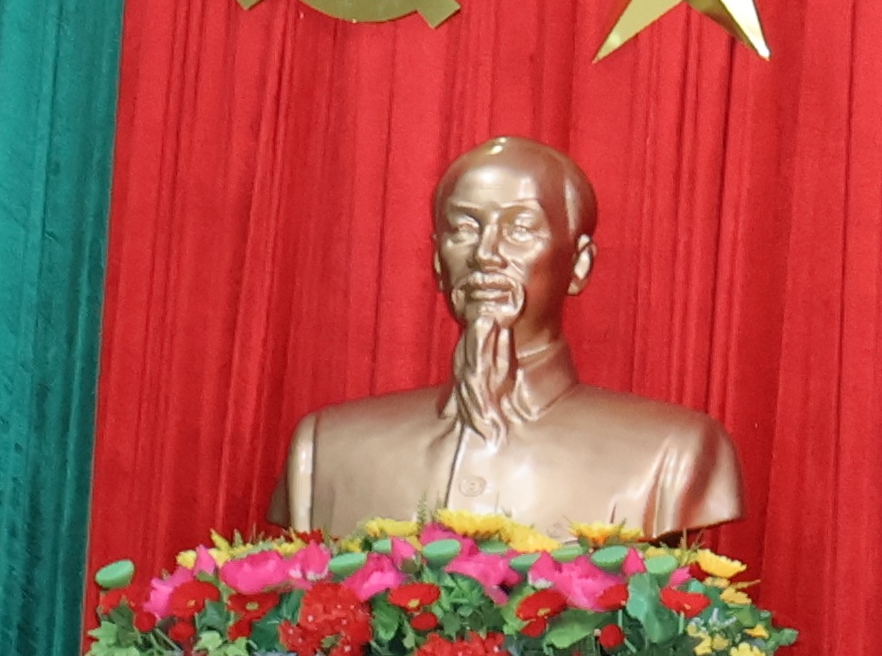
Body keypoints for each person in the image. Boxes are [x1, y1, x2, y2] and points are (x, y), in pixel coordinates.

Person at [283, 137, 741, 540]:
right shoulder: (326, 449)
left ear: (579, 264)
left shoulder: (673, 452)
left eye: (519, 229)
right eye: (464, 229)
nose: (485, 254)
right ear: (438, 262)